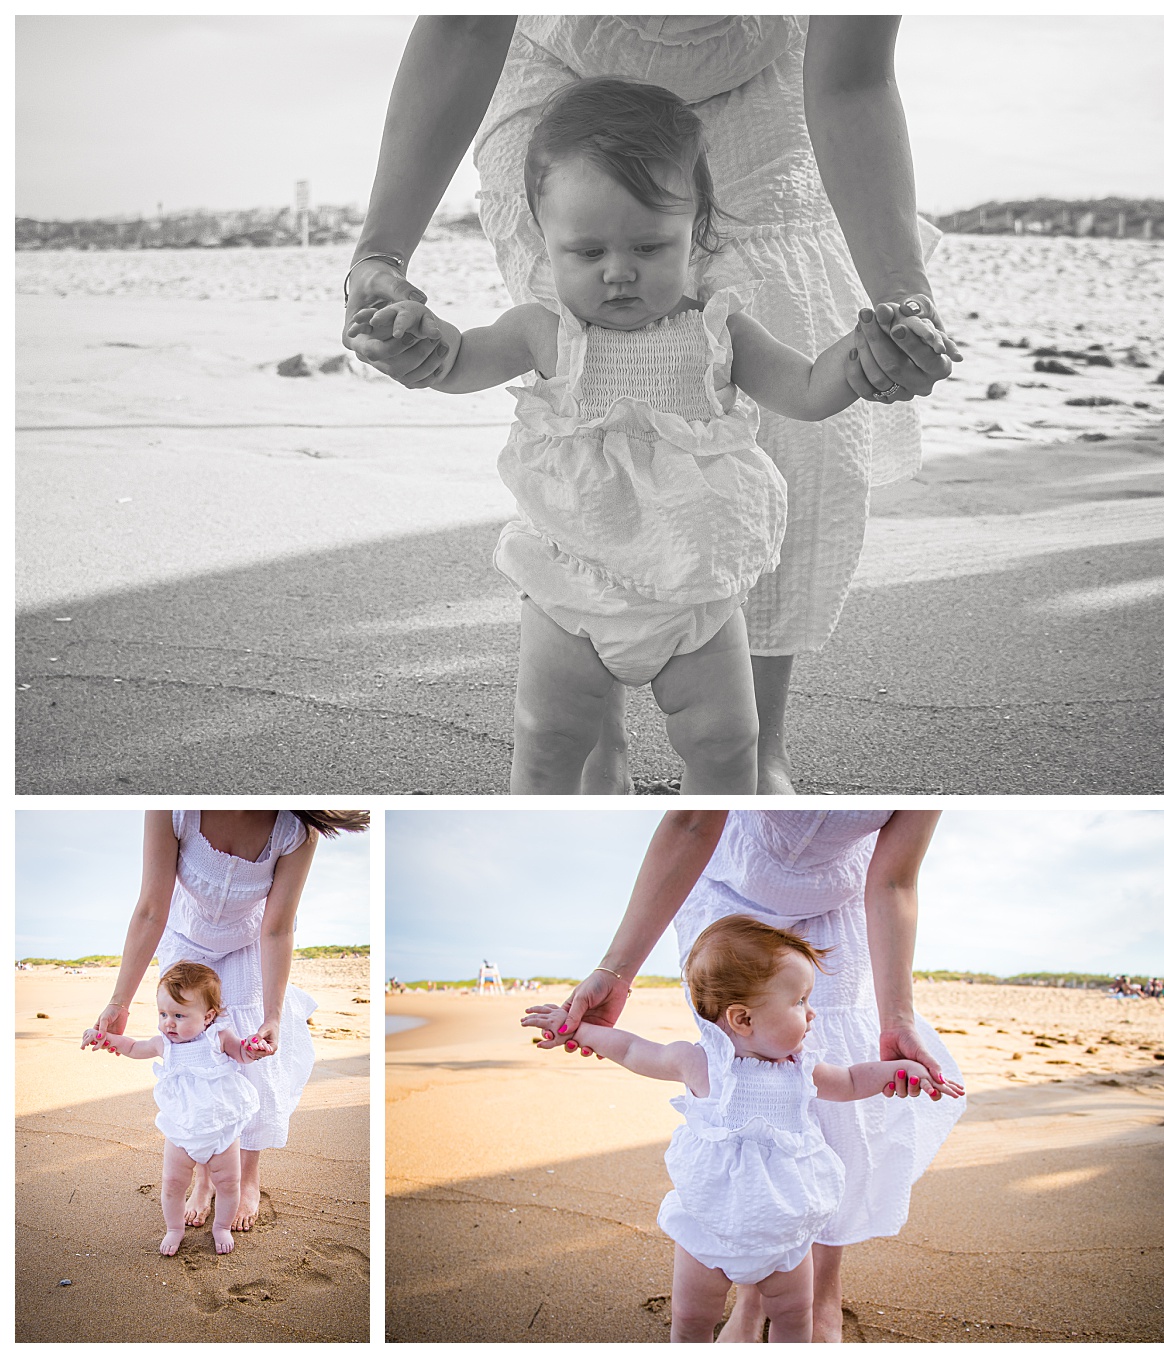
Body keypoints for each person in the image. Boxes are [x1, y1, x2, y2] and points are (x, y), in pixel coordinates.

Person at [343, 16, 959, 794]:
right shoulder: (542, 329)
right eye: (588, 252)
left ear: (696, 238)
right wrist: (412, 336)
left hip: (697, 589)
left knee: (726, 744)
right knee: (550, 743)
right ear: (546, 239)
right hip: (575, 584)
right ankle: (583, 810)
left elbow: (806, 391)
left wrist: (874, 347)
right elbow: (456, 359)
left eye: (649, 249)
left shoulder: (720, 328)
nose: (619, 274)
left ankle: (741, 807)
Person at [533, 809, 961, 1342]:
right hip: (712, 1221)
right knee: (691, 1318)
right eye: (802, 1002)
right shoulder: (701, 1063)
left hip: (786, 1230)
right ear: (741, 1019)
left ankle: (804, 1311)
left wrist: (902, 1067)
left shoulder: (806, 1068)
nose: (814, 1013)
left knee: (793, 1319)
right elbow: (632, 1047)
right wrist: (575, 1028)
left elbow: (852, 1081)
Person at [92, 810, 369, 1233]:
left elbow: (277, 930)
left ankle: (247, 1175)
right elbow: (151, 910)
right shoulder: (174, 810)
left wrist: (272, 1016)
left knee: (248, 1056)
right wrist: (119, 1001)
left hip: (250, 942)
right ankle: (204, 1176)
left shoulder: (296, 832)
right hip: (186, 939)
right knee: (194, 1052)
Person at [83, 961, 262, 1256]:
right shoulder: (163, 1044)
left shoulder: (218, 1038)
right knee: (172, 1184)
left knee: (230, 1184)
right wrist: (104, 1038)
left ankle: (221, 1227)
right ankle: (174, 1228)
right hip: (181, 1131)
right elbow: (130, 1047)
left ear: (208, 1016)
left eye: (179, 1015)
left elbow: (242, 1054)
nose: (169, 1022)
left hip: (220, 1130)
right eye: (163, 1013)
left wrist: (253, 1049)